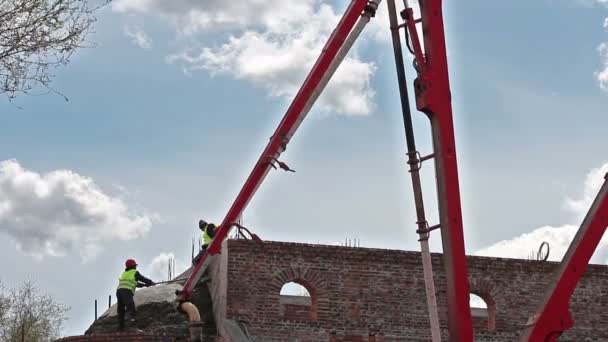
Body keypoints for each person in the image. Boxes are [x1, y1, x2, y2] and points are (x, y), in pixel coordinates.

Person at [116, 259, 155, 331]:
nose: (136, 267)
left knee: (121, 310)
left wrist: (144, 285)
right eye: (135, 266)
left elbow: (134, 283)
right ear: (133, 266)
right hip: (127, 291)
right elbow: (142, 278)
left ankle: (120, 328)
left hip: (119, 291)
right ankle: (132, 327)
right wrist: (150, 282)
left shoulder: (124, 273)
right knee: (131, 308)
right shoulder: (135, 272)